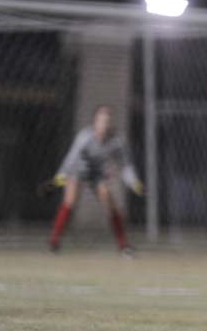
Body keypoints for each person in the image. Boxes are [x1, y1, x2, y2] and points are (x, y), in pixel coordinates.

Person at [46, 105, 143, 256]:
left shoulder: (116, 140)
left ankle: (124, 246)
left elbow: (125, 164)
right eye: (101, 120)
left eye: (107, 121)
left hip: (96, 172)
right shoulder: (85, 136)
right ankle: (54, 240)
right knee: (70, 200)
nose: (104, 124)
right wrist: (62, 175)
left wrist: (134, 183)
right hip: (78, 168)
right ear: (95, 122)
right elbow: (72, 157)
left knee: (110, 203)